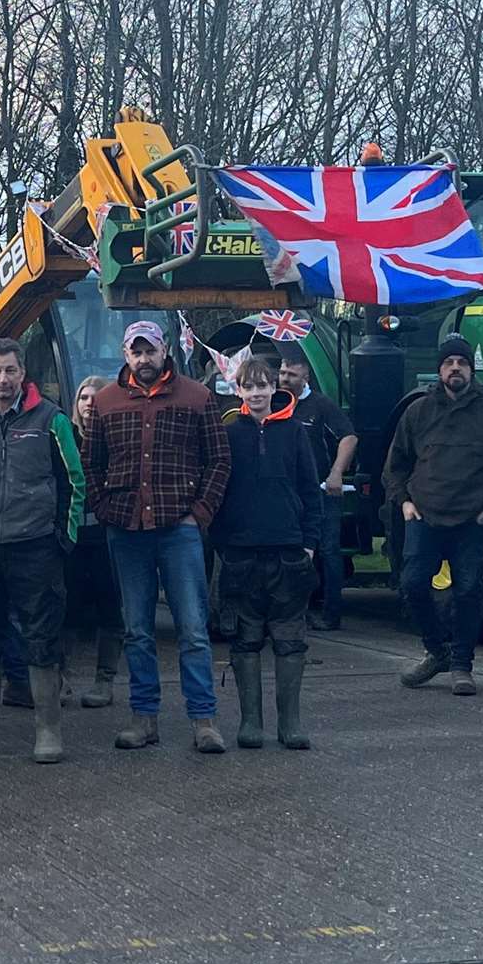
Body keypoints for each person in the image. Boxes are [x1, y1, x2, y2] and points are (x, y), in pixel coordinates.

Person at [83, 319, 232, 754]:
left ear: (165, 350)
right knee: (137, 631)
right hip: (126, 531)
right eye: (136, 351)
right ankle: (143, 718)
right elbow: (91, 465)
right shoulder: (106, 402)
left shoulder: (197, 397)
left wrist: (199, 514)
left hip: (178, 531)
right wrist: (105, 509)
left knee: (193, 630)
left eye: (150, 350)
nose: (144, 359)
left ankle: (204, 721)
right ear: (125, 354)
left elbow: (219, 461)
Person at [0, 338, 84, 763]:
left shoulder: (52, 420)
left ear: (23, 373)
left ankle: (48, 730)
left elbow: (74, 484)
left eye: (10, 371)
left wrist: (64, 538)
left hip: (35, 547)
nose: (3, 380)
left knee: (41, 636)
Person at [383, 334, 483, 697]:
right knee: (413, 585)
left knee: (468, 592)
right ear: (440, 370)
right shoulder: (418, 412)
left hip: (471, 521)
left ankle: (462, 665)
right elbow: (395, 465)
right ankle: (436, 651)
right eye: (449, 363)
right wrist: (404, 503)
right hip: (424, 516)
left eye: (462, 362)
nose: (455, 368)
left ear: (471, 369)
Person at [212, 358, 323, 750]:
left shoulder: (294, 433)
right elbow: (217, 492)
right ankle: (250, 723)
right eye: (249, 386)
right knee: (245, 639)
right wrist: (224, 543)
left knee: (290, 639)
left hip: (289, 554)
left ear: (274, 387)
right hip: (241, 555)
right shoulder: (228, 433)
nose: (257, 393)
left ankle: (290, 724)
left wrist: (309, 542)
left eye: (263, 385)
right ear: (238, 391)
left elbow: (311, 491)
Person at [277, 357, 357, 631]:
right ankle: (294, 611)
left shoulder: (320, 405)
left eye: (291, 374)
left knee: (329, 551)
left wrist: (336, 473)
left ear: (306, 378)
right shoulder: (278, 405)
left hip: (321, 493)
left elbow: (349, 437)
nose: (285, 379)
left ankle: (331, 613)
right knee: (291, 552)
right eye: (282, 372)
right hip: (288, 495)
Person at [67, 376, 124, 708]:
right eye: (83, 397)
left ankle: (105, 680)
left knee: (110, 608)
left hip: (108, 537)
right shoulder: (66, 437)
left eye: (95, 397)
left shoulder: (116, 438)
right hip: (74, 538)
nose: (89, 403)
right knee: (67, 608)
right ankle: (61, 677)